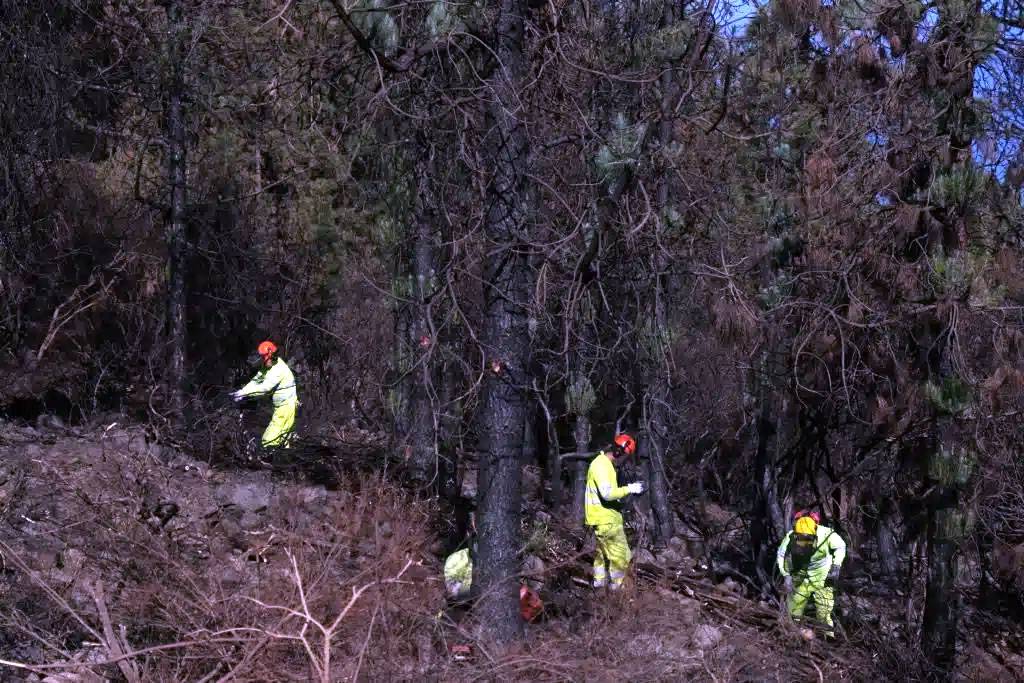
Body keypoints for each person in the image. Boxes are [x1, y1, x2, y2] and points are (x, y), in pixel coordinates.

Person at [584, 433, 646, 590]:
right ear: (619, 452)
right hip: (606, 520)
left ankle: (599, 586)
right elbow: (607, 493)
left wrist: (620, 502)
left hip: (602, 519)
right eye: (626, 456)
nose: (625, 460)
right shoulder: (602, 465)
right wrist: (630, 488)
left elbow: (606, 494)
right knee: (621, 556)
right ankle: (617, 590)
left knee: (601, 556)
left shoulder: (604, 465)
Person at [776, 509, 847, 638]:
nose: (804, 542)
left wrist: (836, 566)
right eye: (801, 538)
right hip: (801, 574)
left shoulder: (827, 535)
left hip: (823, 576)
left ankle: (828, 640)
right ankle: (790, 635)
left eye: (807, 539)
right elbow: (781, 554)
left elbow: (841, 546)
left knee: (824, 611)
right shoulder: (790, 537)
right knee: (793, 608)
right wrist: (786, 575)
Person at [232, 340, 298, 448]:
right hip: (283, 406)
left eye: (264, 358)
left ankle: (270, 457)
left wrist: (245, 393)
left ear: (271, 356)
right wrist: (243, 391)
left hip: (285, 407)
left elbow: (265, 388)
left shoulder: (278, 370)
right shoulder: (268, 366)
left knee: (269, 439)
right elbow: (256, 380)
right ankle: (283, 456)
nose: (263, 360)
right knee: (283, 437)